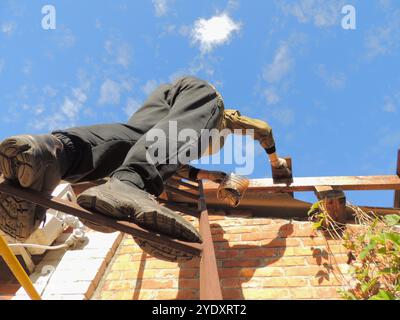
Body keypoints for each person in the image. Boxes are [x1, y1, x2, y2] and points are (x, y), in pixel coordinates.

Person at [0, 76, 290, 260]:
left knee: (131, 140)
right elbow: (264, 129)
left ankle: (53, 153)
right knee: (165, 142)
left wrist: (213, 176)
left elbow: (174, 162)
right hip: (199, 90)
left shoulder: (172, 144)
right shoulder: (221, 117)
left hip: (163, 98)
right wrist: (277, 164)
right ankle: (127, 185)